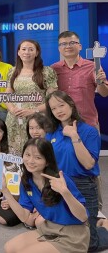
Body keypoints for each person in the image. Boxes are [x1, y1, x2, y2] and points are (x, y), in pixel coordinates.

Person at [44, 90, 108, 251]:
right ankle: (98, 222)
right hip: (60, 185)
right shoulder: (51, 134)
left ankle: (104, 226)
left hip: (84, 186)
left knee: (89, 245)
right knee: (66, 234)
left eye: (61, 105)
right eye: (53, 108)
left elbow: (88, 164)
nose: (58, 110)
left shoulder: (89, 131)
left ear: (71, 105)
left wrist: (74, 136)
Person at [3, 138, 90, 253]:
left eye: (37, 157)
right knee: (9, 248)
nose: (30, 161)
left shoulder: (60, 179)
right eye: (27, 155)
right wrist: (5, 190)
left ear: (47, 161)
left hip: (73, 233)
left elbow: (83, 217)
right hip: (49, 227)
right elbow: (24, 217)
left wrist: (65, 192)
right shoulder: (26, 181)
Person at [5, 39, 57, 155]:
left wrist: (33, 111)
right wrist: (12, 109)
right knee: (15, 153)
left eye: (31, 49)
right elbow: (7, 94)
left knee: (37, 152)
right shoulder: (12, 71)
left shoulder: (47, 72)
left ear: (37, 53)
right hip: (15, 119)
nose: (27, 52)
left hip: (37, 119)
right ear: (18, 52)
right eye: (23, 49)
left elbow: (52, 100)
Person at [52, 31, 108, 129]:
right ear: (59, 48)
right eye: (63, 44)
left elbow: (104, 93)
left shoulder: (93, 66)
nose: (68, 46)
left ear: (80, 46)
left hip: (88, 124)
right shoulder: (53, 69)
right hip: (61, 125)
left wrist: (100, 82)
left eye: (72, 43)